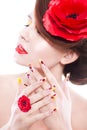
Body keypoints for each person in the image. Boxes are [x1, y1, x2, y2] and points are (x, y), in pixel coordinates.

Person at [0, 0, 87, 130]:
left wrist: (62, 127)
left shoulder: (83, 114)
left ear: (68, 55)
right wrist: (12, 127)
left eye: (40, 33)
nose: (23, 34)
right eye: (28, 23)